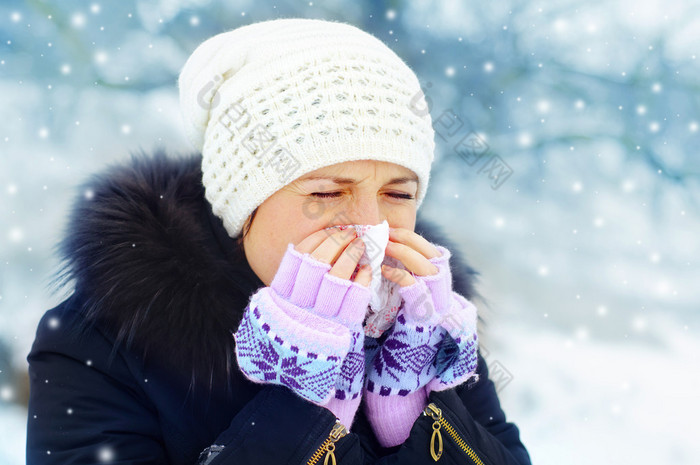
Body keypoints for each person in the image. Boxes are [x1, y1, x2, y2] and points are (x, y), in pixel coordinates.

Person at [26, 18, 531, 465]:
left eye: (397, 193)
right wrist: (302, 400)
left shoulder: (424, 324)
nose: (368, 223)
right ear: (243, 204)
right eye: (327, 192)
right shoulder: (101, 344)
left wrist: (415, 410)